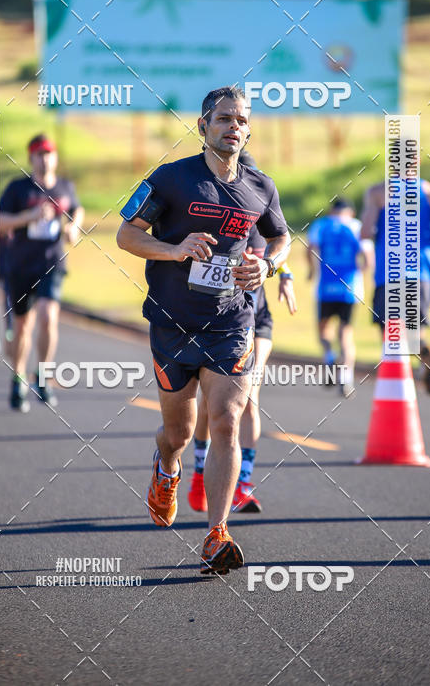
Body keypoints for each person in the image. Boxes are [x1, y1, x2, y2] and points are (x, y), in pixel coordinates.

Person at [117, 86, 291, 575]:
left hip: (232, 322)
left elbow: (282, 236)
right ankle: (166, 468)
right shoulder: (171, 180)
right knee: (178, 431)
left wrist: (269, 266)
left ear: (249, 128)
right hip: (172, 323)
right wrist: (175, 250)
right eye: (223, 119)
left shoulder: (261, 186)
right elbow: (125, 234)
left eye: (241, 119)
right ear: (203, 126)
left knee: (226, 421)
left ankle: (217, 533)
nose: (233, 126)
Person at [188, 151, 297, 515]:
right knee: (211, 403)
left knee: (250, 395)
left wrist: (285, 277)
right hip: (218, 317)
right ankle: (202, 468)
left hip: (256, 316)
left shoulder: (259, 202)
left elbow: (280, 244)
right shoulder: (215, 208)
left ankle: (243, 483)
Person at [0, 134, 83, 412]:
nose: (44, 159)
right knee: (22, 328)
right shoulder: (18, 189)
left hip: (52, 263)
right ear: (31, 158)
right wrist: (29, 217)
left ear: (55, 157)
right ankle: (18, 377)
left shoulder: (64, 187)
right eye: (38, 154)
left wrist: (73, 228)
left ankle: (43, 377)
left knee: (48, 317)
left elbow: (77, 211)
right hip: (20, 266)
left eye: (49, 154)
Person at [360, 178, 430, 392]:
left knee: (391, 333)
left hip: (389, 272)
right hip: (421, 272)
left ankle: (396, 388)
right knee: (415, 329)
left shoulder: (378, 192)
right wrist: (429, 234)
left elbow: (366, 232)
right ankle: (423, 349)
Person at [307, 199, 369, 398]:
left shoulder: (321, 225)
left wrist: (311, 270)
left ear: (332, 210)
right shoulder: (356, 226)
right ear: (350, 211)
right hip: (349, 288)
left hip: (325, 287)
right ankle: (346, 379)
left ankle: (330, 357)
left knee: (323, 330)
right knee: (346, 334)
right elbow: (368, 256)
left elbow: (310, 249)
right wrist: (362, 271)